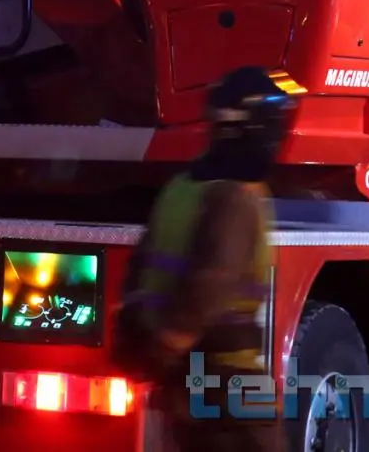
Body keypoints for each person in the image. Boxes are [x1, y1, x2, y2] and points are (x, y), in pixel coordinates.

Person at [111, 66, 292, 452]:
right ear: (251, 128)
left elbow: (139, 271)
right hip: (226, 376)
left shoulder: (178, 190)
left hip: (181, 378)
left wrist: (150, 353)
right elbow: (212, 280)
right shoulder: (236, 197)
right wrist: (171, 343)